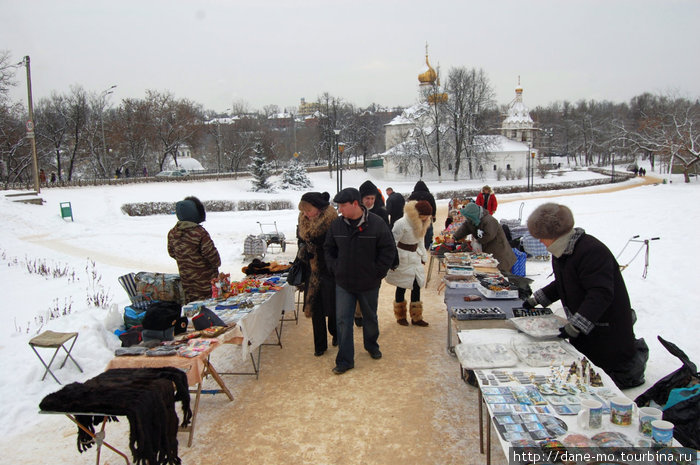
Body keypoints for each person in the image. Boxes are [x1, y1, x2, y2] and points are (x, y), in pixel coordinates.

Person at [523, 203, 648, 388]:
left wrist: (576, 325)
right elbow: (564, 282)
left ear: (554, 235)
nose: (540, 242)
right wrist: (537, 299)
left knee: (598, 379)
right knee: (582, 370)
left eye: (542, 237)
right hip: (588, 330)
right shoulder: (563, 251)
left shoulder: (591, 251)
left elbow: (601, 294)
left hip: (606, 332)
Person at [324, 188, 396, 375]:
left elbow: (388, 250)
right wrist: (335, 268)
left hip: (369, 282)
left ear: (355, 204)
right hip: (344, 282)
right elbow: (328, 249)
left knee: (370, 317)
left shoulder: (377, 223)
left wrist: (376, 272)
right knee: (343, 320)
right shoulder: (337, 225)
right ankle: (345, 360)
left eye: (342, 206)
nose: (339, 210)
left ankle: (371, 345)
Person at [296, 191, 338, 357]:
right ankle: (320, 344)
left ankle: (336, 334)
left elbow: (337, 246)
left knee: (333, 304)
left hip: (329, 269)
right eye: (303, 211)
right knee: (316, 307)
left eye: (308, 210)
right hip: (312, 272)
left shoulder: (332, 221)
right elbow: (300, 239)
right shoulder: (302, 219)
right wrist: (303, 251)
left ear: (319, 209)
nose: (305, 214)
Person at [385, 200, 432, 327]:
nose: (428, 218)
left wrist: (423, 255)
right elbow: (392, 242)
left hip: (415, 257)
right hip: (402, 258)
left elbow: (420, 240)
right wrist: (393, 260)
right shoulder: (401, 223)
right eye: (426, 216)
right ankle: (400, 316)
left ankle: (417, 317)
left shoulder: (423, 222)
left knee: (417, 285)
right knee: (402, 286)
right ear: (419, 214)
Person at [167, 196, 221, 302]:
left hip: (187, 283)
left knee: (193, 310)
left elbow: (172, 253)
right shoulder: (199, 233)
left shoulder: (173, 233)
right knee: (209, 311)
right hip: (206, 284)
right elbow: (213, 258)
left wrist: (186, 262)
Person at [453, 203, 516, 274]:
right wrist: (455, 237)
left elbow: (489, 236)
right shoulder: (472, 220)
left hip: (499, 253)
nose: (467, 219)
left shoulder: (489, 221)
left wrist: (477, 242)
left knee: (501, 275)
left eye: (469, 217)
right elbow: (465, 227)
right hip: (488, 253)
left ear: (473, 215)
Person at [407, 180, 437, 249]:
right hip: (427, 217)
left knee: (416, 231)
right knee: (428, 231)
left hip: (416, 217)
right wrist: (433, 215)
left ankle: (417, 246)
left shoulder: (412, 195)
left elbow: (409, 206)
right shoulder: (429, 195)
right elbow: (433, 206)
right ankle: (427, 245)